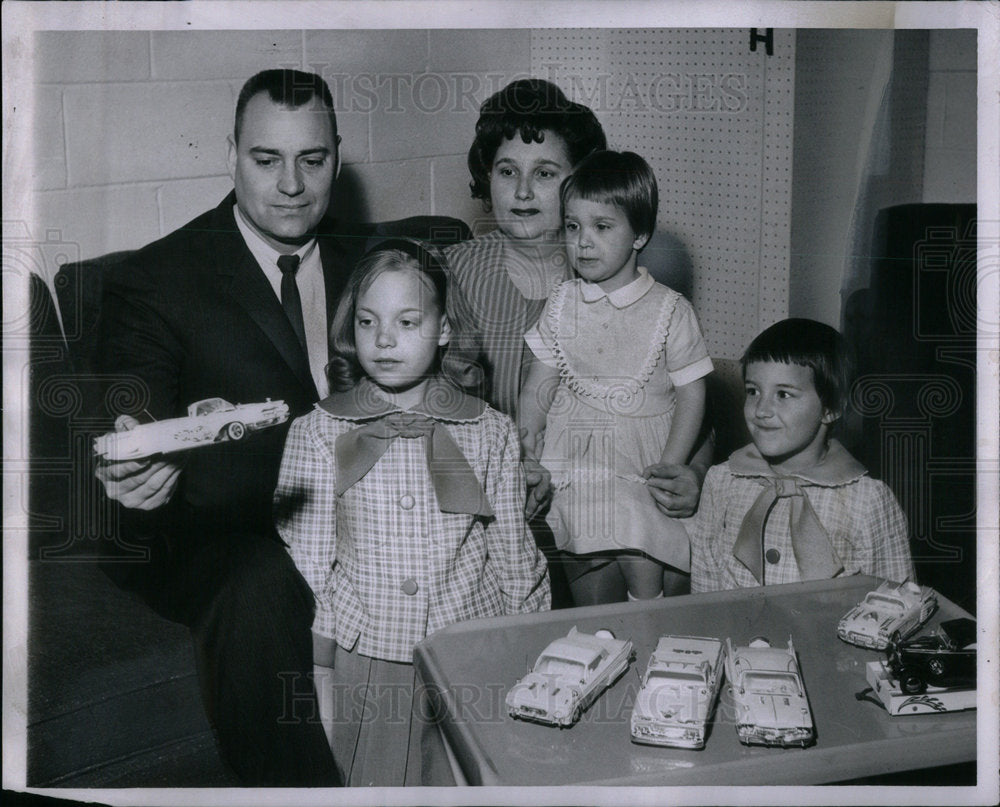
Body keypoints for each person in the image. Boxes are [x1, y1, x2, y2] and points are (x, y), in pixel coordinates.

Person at [93, 69, 361, 786]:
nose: (292, 185)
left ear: (338, 153)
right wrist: (137, 462)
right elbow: (134, 415)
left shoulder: (372, 262)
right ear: (231, 153)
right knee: (258, 582)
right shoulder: (157, 279)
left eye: (313, 159)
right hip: (223, 532)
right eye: (266, 159)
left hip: (359, 512)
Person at [273, 240, 550, 786]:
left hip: (471, 645)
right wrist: (321, 658)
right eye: (369, 321)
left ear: (444, 329)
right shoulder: (317, 432)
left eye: (407, 321)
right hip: (369, 653)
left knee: (469, 780)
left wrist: (531, 634)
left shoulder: (488, 431)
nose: (383, 340)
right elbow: (308, 560)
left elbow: (513, 546)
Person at [518, 151, 713, 605]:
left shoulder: (670, 311)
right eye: (572, 227)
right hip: (575, 462)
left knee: (639, 539)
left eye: (602, 227)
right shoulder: (561, 302)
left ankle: (649, 613)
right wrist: (526, 449)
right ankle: (603, 634)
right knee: (588, 554)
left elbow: (691, 398)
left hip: (641, 462)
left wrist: (670, 466)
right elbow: (537, 387)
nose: (583, 242)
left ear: (640, 234)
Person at [689, 318, 916, 593]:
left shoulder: (867, 500)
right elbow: (704, 582)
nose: (761, 409)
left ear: (830, 408)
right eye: (753, 391)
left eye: (783, 394)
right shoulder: (722, 481)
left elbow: (897, 601)